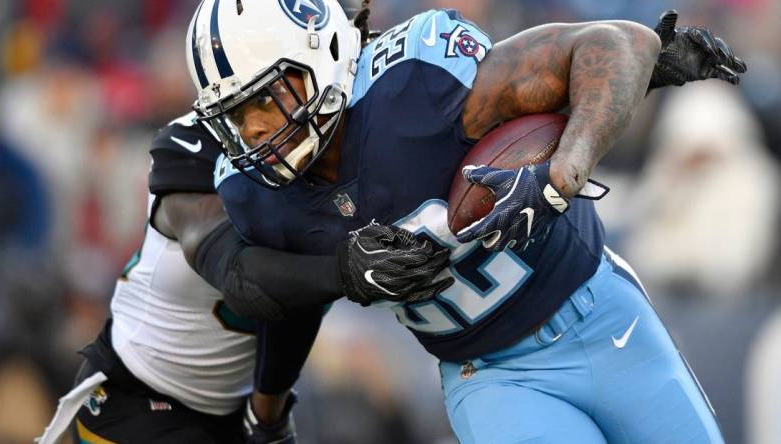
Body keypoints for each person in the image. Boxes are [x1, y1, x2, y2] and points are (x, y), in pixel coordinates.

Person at [188, 0, 747, 442]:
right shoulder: (253, 191)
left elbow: (619, 43)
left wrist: (560, 177)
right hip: (492, 379)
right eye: (235, 115)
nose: (255, 130)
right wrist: (269, 402)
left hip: (602, 315)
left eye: (267, 99)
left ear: (323, 53)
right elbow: (278, 295)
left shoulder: (414, 86)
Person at [36, 111, 451, 444]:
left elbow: (295, 304)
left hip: (231, 410)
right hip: (139, 394)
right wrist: (345, 270)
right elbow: (243, 277)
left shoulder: (330, 146)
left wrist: (267, 415)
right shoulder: (195, 149)